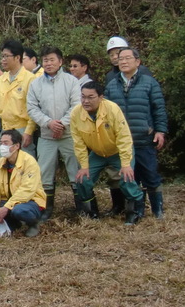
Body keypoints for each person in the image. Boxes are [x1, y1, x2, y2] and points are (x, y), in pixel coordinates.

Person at [104, 48, 169, 219]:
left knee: (150, 175)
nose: (123, 62)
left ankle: (158, 210)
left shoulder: (149, 82)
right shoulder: (111, 85)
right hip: (123, 142)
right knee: (130, 178)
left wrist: (160, 130)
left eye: (127, 58)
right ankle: (137, 210)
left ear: (137, 62)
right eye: (120, 59)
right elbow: (107, 114)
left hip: (144, 137)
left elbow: (159, 108)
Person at [71, 81, 143, 225]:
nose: (86, 101)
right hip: (98, 153)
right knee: (82, 180)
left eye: (91, 97)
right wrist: (84, 166)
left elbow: (124, 138)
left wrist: (126, 164)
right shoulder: (76, 113)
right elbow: (78, 143)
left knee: (126, 178)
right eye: (83, 96)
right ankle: (91, 213)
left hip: (117, 151)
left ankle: (134, 212)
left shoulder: (112, 109)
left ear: (101, 97)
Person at [26, 47, 81, 220]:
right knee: (45, 174)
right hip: (46, 136)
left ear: (60, 62)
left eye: (51, 60)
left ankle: (82, 207)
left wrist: (62, 124)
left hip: (69, 134)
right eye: (45, 60)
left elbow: (77, 106)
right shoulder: (35, 84)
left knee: (76, 171)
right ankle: (46, 209)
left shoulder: (71, 81)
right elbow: (32, 108)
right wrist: (49, 123)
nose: (48, 64)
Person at [0, 40, 36, 155]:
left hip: (22, 130)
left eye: (6, 56)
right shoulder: (0, 81)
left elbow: (34, 109)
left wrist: (29, 132)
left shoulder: (30, 79)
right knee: (1, 165)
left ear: (17, 57)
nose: (3, 59)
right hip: (4, 130)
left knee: (24, 167)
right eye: (2, 56)